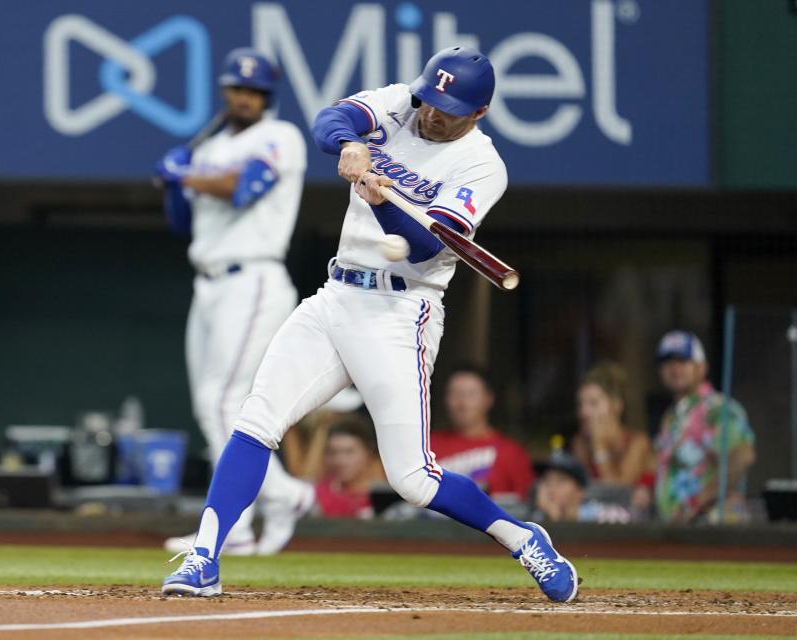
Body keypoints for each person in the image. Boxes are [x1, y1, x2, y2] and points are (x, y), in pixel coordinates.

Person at [161, 46, 578, 603]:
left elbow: (428, 247)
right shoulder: (402, 103)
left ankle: (520, 536)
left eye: (449, 108)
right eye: (431, 98)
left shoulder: (482, 165)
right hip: (336, 296)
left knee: (413, 479)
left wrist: (381, 198)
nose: (433, 113)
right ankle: (204, 556)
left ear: (478, 113)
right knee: (255, 418)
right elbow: (329, 120)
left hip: (401, 311)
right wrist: (353, 144)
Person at [155, 48, 313, 557]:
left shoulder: (280, 137)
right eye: (237, 89)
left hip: (254, 278)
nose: (244, 97)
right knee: (210, 403)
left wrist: (185, 176)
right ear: (225, 91)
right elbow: (183, 222)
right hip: (208, 280)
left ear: (266, 96)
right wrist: (174, 185)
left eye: (254, 91)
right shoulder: (209, 148)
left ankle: (285, 495)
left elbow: (246, 188)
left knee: (225, 401)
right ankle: (239, 527)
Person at [653, 330, 756, 524]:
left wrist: (698, 503)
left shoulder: (717, 408)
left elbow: (742, 456)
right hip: (677, 528)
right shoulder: (672, 416)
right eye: (667, 362)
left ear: (701, 367)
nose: (674, 368)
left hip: (711, 525)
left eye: (683, 361)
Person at [430, 365, 535, 501]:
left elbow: (526, 506)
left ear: (489, 399)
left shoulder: (511, 452)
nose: (462, 403)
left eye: (470, 394)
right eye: (455, 394)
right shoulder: (427, 445)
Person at [571, 362, 654, 512]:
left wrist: (599, 446)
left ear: (616, 405)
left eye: (593, 403)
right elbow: (584, 497)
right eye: (581, 404)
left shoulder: (638, 442)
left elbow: (616, 494)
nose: (583, 412)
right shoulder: (580, 443)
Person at [310, 415, 385, 519]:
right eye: (332, 452)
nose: (340, 461)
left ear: (368, 453)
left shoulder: (385, 497)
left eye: (349, 452)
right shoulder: (316, 495)